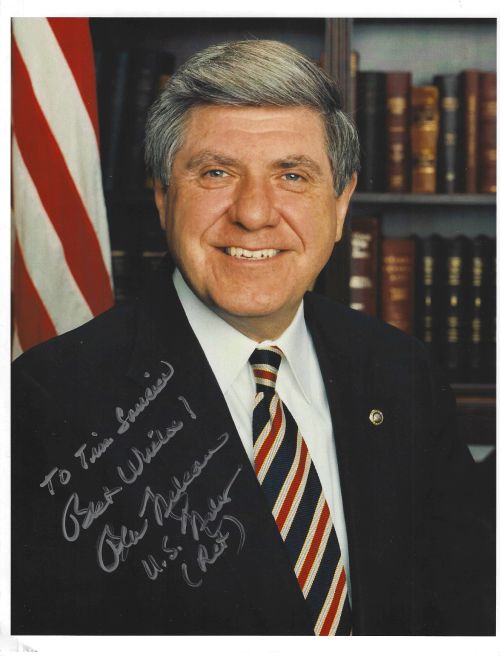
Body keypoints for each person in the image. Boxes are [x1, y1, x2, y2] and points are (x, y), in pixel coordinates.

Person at [11, 39, 493, 636]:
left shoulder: (401, 370)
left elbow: (461, 613)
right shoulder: (47, 400)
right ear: (163, 196)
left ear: (340, 202)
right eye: (216, 173)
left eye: (292, 175)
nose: (255, 213)